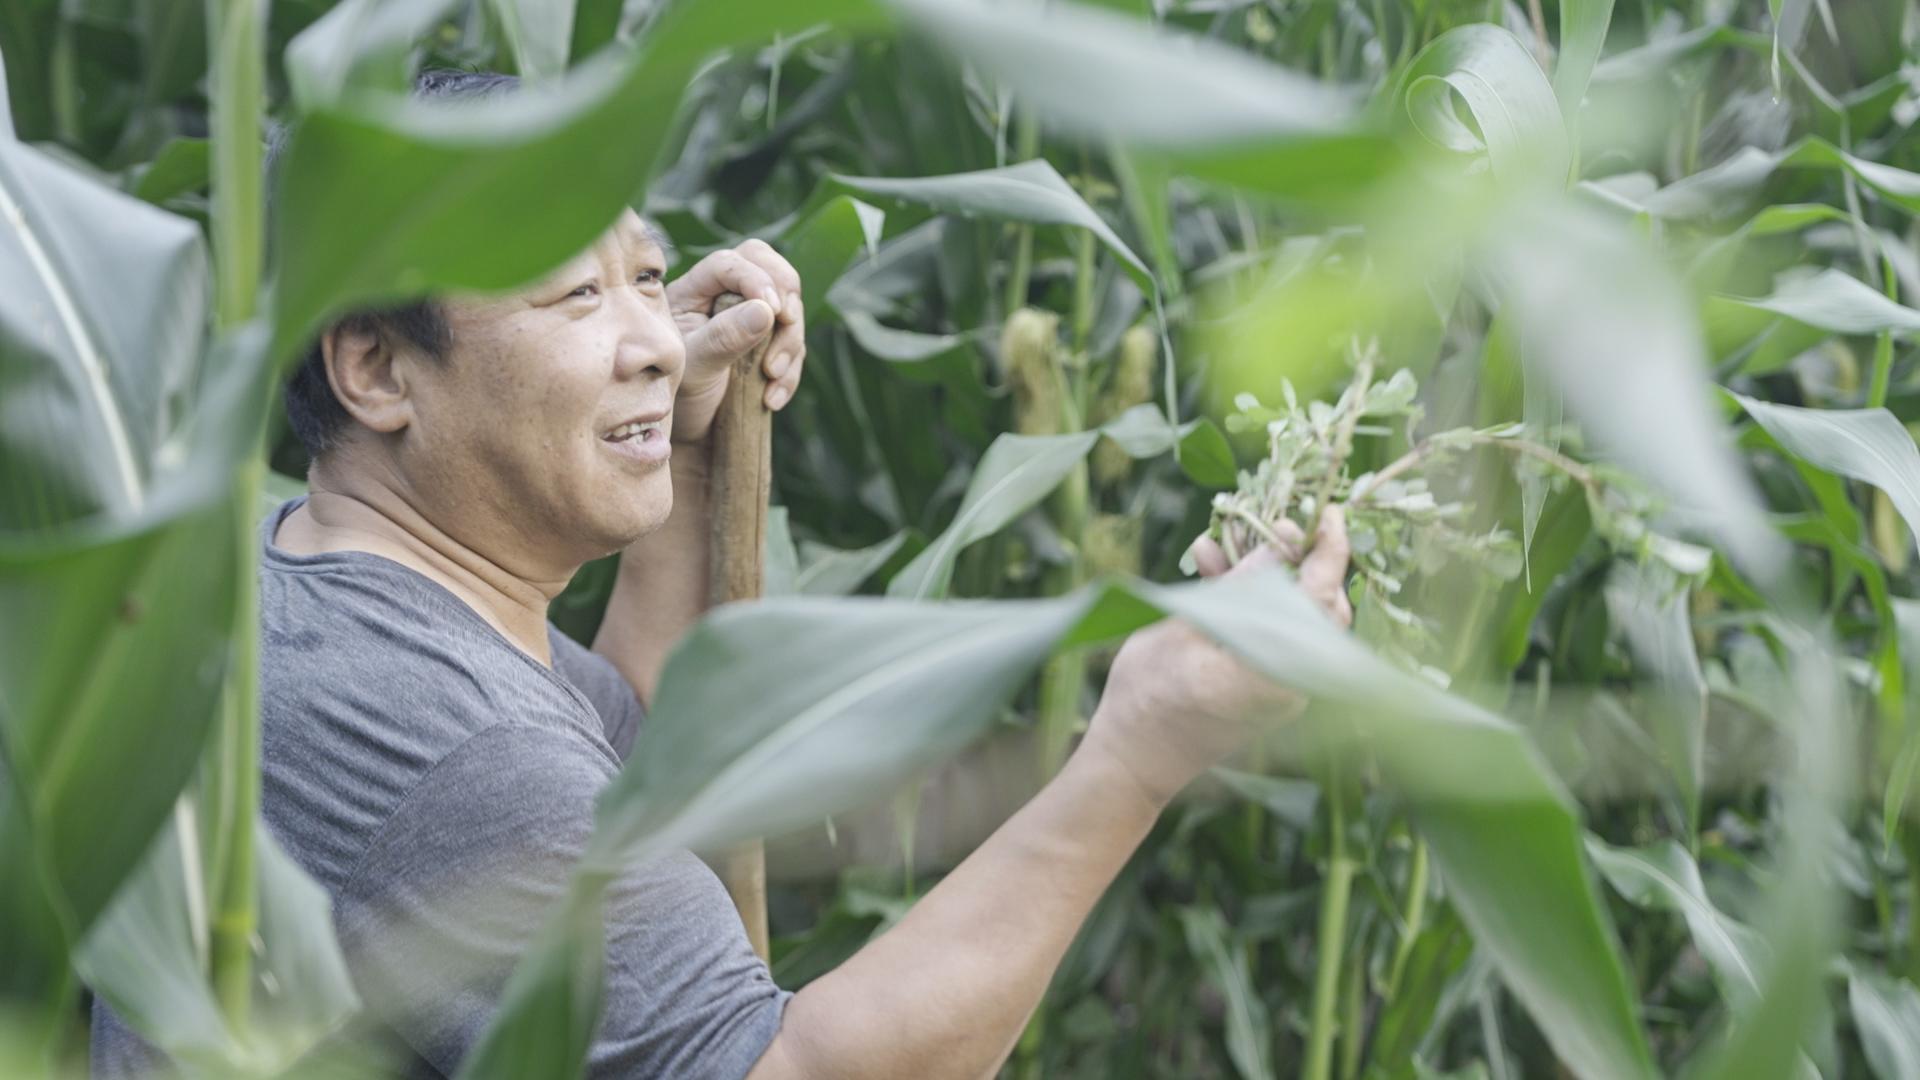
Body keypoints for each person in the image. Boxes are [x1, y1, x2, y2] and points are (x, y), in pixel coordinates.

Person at [91, 70, 1353, 1080]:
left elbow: (640, 778)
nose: (651, 338)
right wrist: (1138, 748)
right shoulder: (449, 744)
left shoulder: (313, 591)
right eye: (574, 296)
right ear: (374, 371)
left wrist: (686, 462)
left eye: (647, 275)